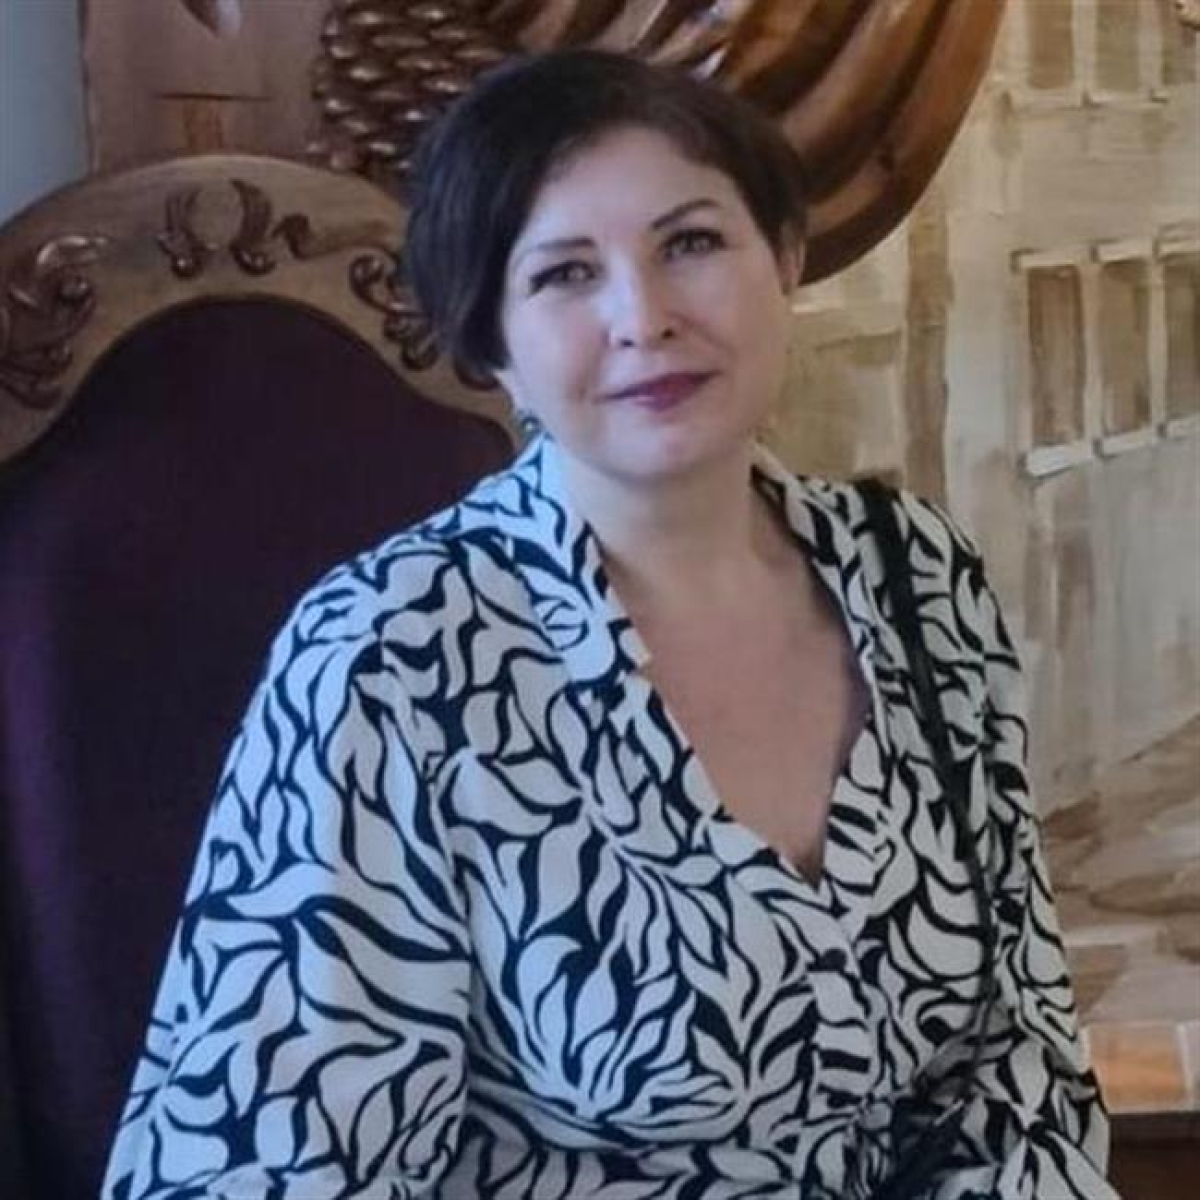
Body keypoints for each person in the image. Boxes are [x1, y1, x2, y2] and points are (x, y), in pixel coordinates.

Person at [103, 49, 1116, 1200]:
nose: (644, 317)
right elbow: (270, 1167)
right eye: (565, 274)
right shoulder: (393, 652)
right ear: (492, 342)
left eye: (691, 243)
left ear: (784, 258)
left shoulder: (921, 577)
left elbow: (1016, 1066)